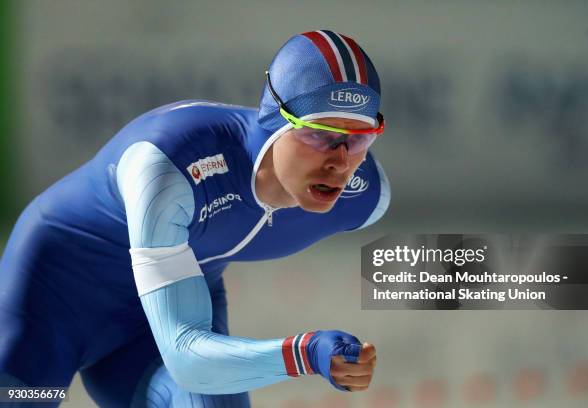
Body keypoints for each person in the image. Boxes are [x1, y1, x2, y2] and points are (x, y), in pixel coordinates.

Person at [0, 30, 390, 407]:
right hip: (52, 304)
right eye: (320, 134)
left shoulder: (365, 195)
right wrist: (307, 353)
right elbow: (187, 358)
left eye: (359, 138)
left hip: (157, 327)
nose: (340, 162)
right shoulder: (173, 165)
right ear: (275, 118)